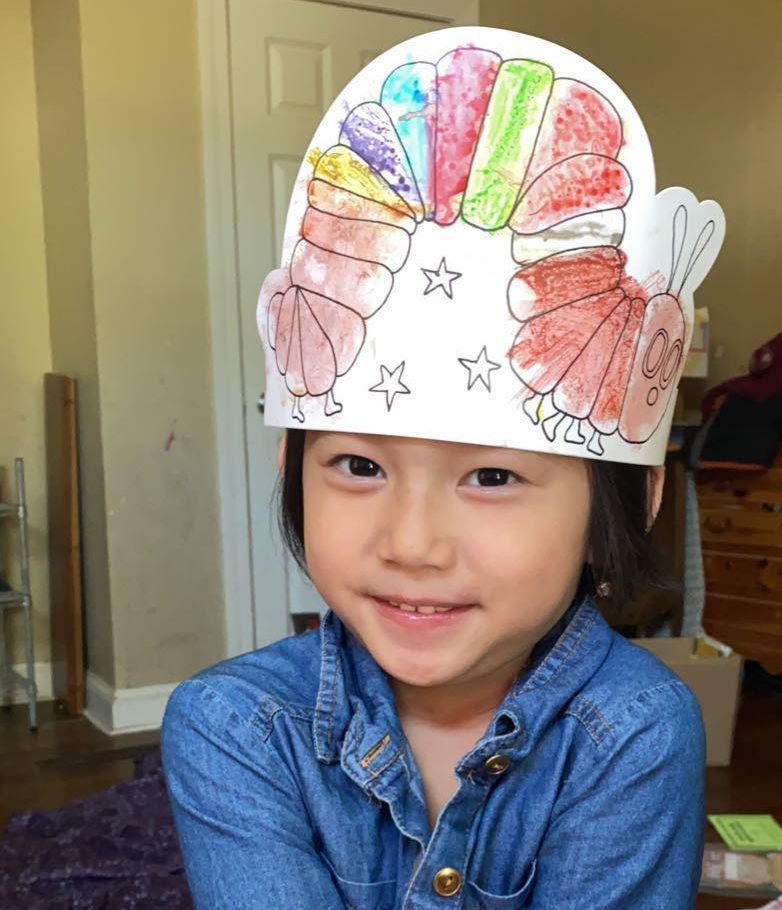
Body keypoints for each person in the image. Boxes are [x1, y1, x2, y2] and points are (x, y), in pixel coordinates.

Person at [161, 25, 725, 910]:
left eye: (492, 477)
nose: (412, 543)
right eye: (356, 464)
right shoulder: (233, 727)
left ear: (633, 501)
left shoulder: (635, 733)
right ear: (290, 470)